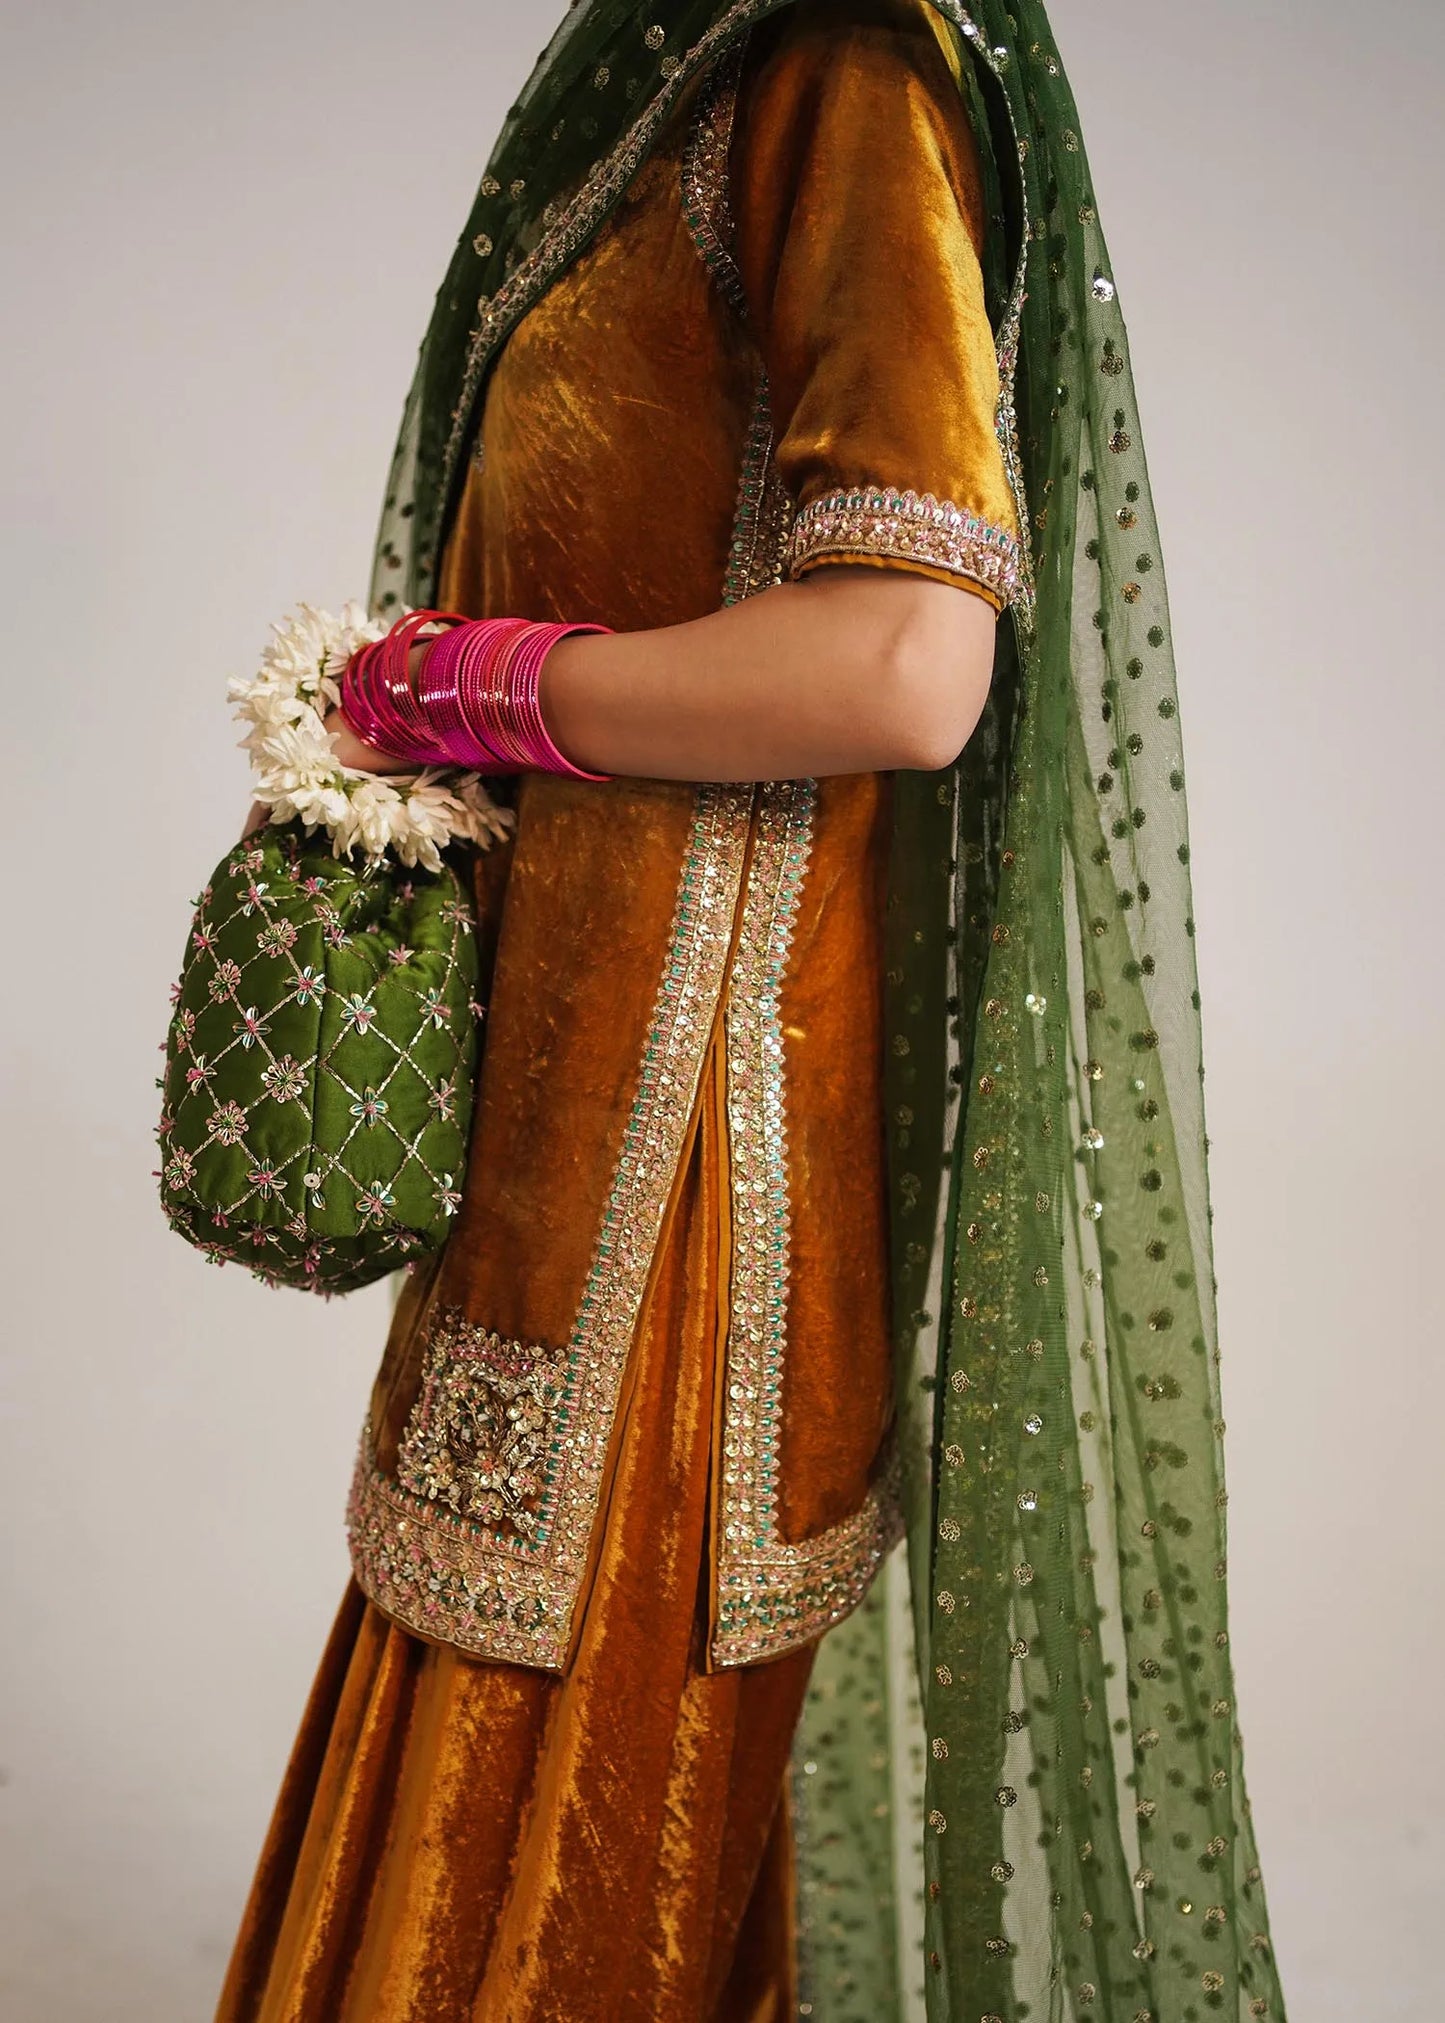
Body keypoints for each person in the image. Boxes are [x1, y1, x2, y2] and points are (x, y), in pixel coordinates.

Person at [215, 4, 1290, 2020]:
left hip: (683, 1198)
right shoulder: (676, 65)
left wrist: (469, 686)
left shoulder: (844, 73)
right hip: (569, 1127)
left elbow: (906, 660)